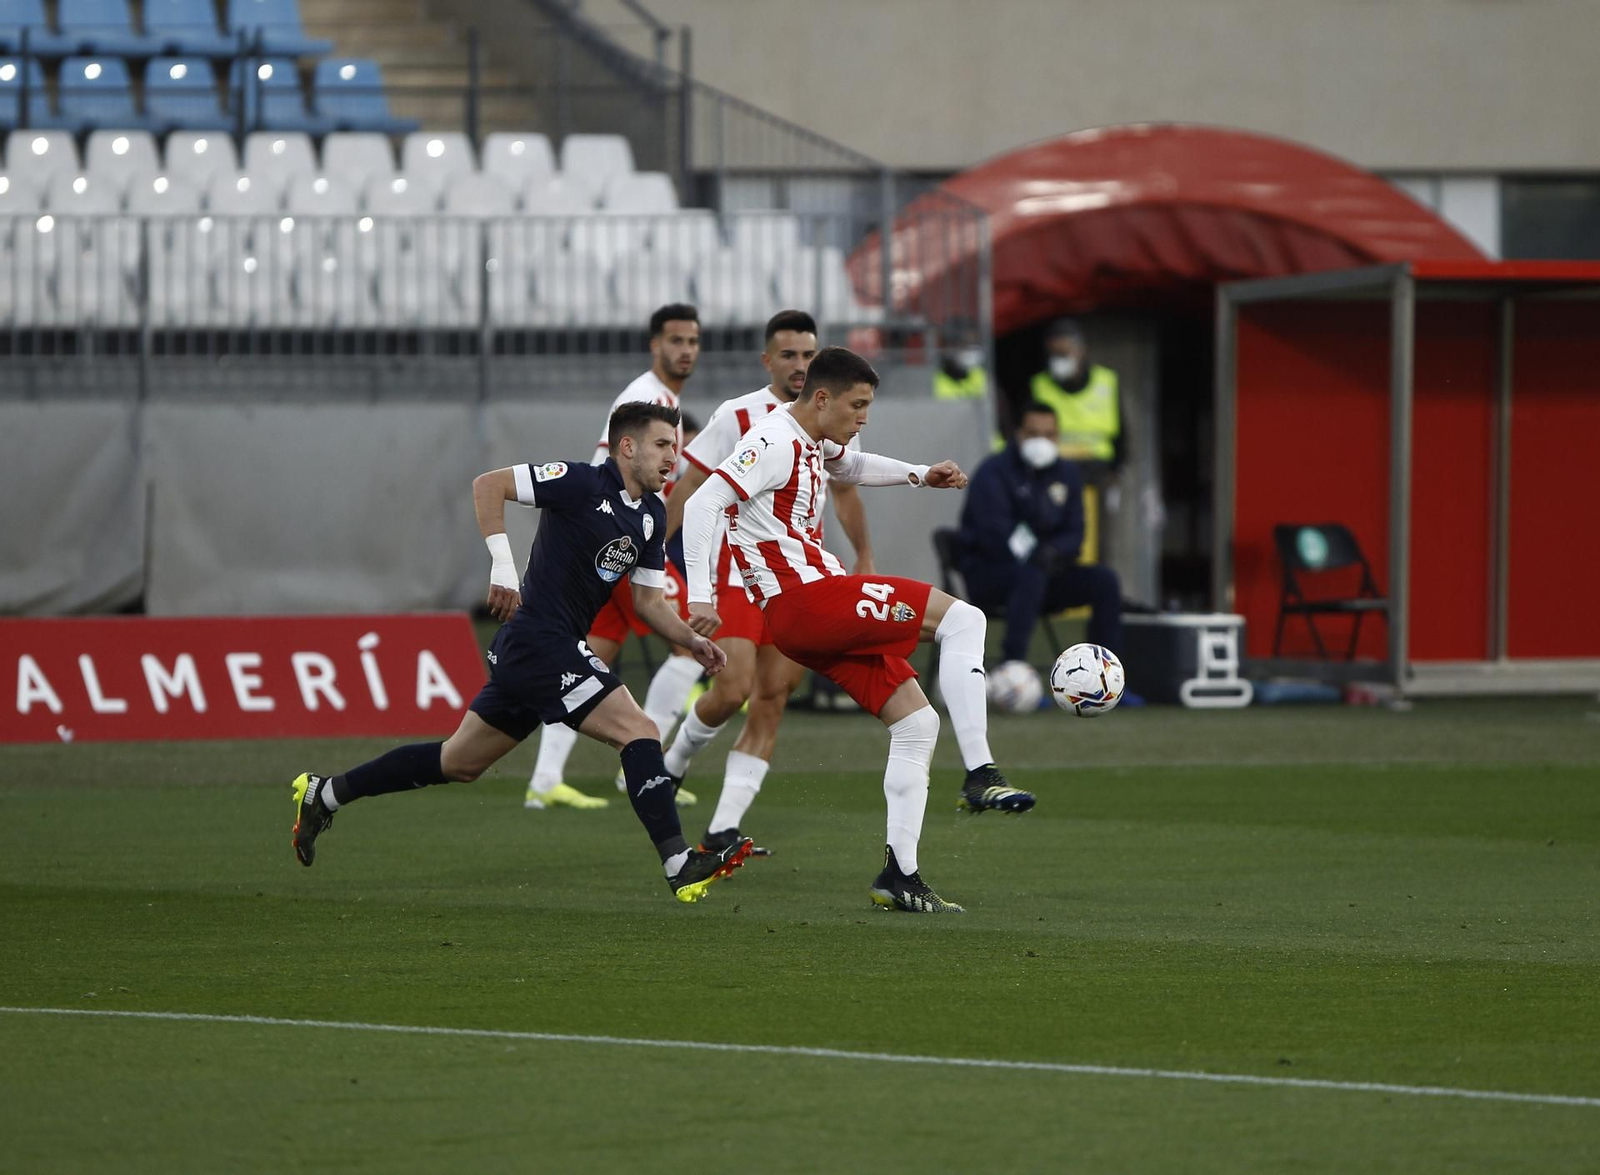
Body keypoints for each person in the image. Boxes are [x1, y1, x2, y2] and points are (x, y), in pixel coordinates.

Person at [289, 402, 752, 903]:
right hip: (539, 641)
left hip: (541, 650)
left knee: (458, 761)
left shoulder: (652, 514)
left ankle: (326, 793)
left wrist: (690, 640)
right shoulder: (580, 482)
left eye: (675, 446)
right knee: (639, 730)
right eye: (662, 445)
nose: (672, 457)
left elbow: (648, 602)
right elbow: (489, 485)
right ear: (627, 447)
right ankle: (679, 862)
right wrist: (503, 568)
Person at [682, 346, 1036, 915]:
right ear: (822, 398)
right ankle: (981, 772)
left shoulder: (810, 437)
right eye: (858, 405)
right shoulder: (772, 440)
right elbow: (704, 502)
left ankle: (901, 876)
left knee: (916, 722)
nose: (864, 418)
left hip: (808, 614)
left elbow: (851, 467)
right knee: (964, 618)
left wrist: (920, 474)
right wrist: (699, 592)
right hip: (807, 601)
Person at [661, 309, 875, 856]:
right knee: (731, 689)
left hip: (797, 581)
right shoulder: (739, 415)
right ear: (767, 360)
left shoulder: (831, 418)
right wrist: (652, 555)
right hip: (736, 573)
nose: (800, 364)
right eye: (788, 355)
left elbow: (846, 489)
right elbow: (692, 485)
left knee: (773, 697)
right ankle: (672, 765)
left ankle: (723, 827)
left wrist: (864, 554)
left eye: (808, 354)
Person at [524, 304, 706, 811]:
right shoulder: (645, 398)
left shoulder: (663, 399)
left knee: (593, 654)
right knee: (688, 646)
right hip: (620, 542)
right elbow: (611, 472)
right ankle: (644, 771)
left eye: (693, 341)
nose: (685, 350)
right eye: (675, 340)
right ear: (655, 345)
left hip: (612, 543)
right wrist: (637, 540)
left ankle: (545, 779)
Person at [957, 402, 1124, 663]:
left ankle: (1104, 668)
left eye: (1049, 435)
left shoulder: (1067, 474)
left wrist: (1053, 552)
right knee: (1030, 574)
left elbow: (1075, 533)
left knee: (1105, 581)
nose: (1041, 441)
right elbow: (994, 532)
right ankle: (1013, 666)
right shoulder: (993, 472)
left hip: (1047, 573)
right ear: (1018, 433)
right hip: (993, 574)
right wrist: (1036, 555)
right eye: (1033, 434)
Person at [1029, 318, 1124, 469]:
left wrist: (1117, 469)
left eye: (1063, 354)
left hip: (1098, 468)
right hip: (1056, 468)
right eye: (1053, 355)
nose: (1057, 361)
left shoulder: (1106, 382)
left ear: (1081, 350)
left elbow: (1121, 436)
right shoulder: (1039, 385)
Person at [932, 324, 988, 401]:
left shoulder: (980, 375)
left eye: (974, 344)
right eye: (967, 345)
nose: (972, 350)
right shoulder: (937, 380)